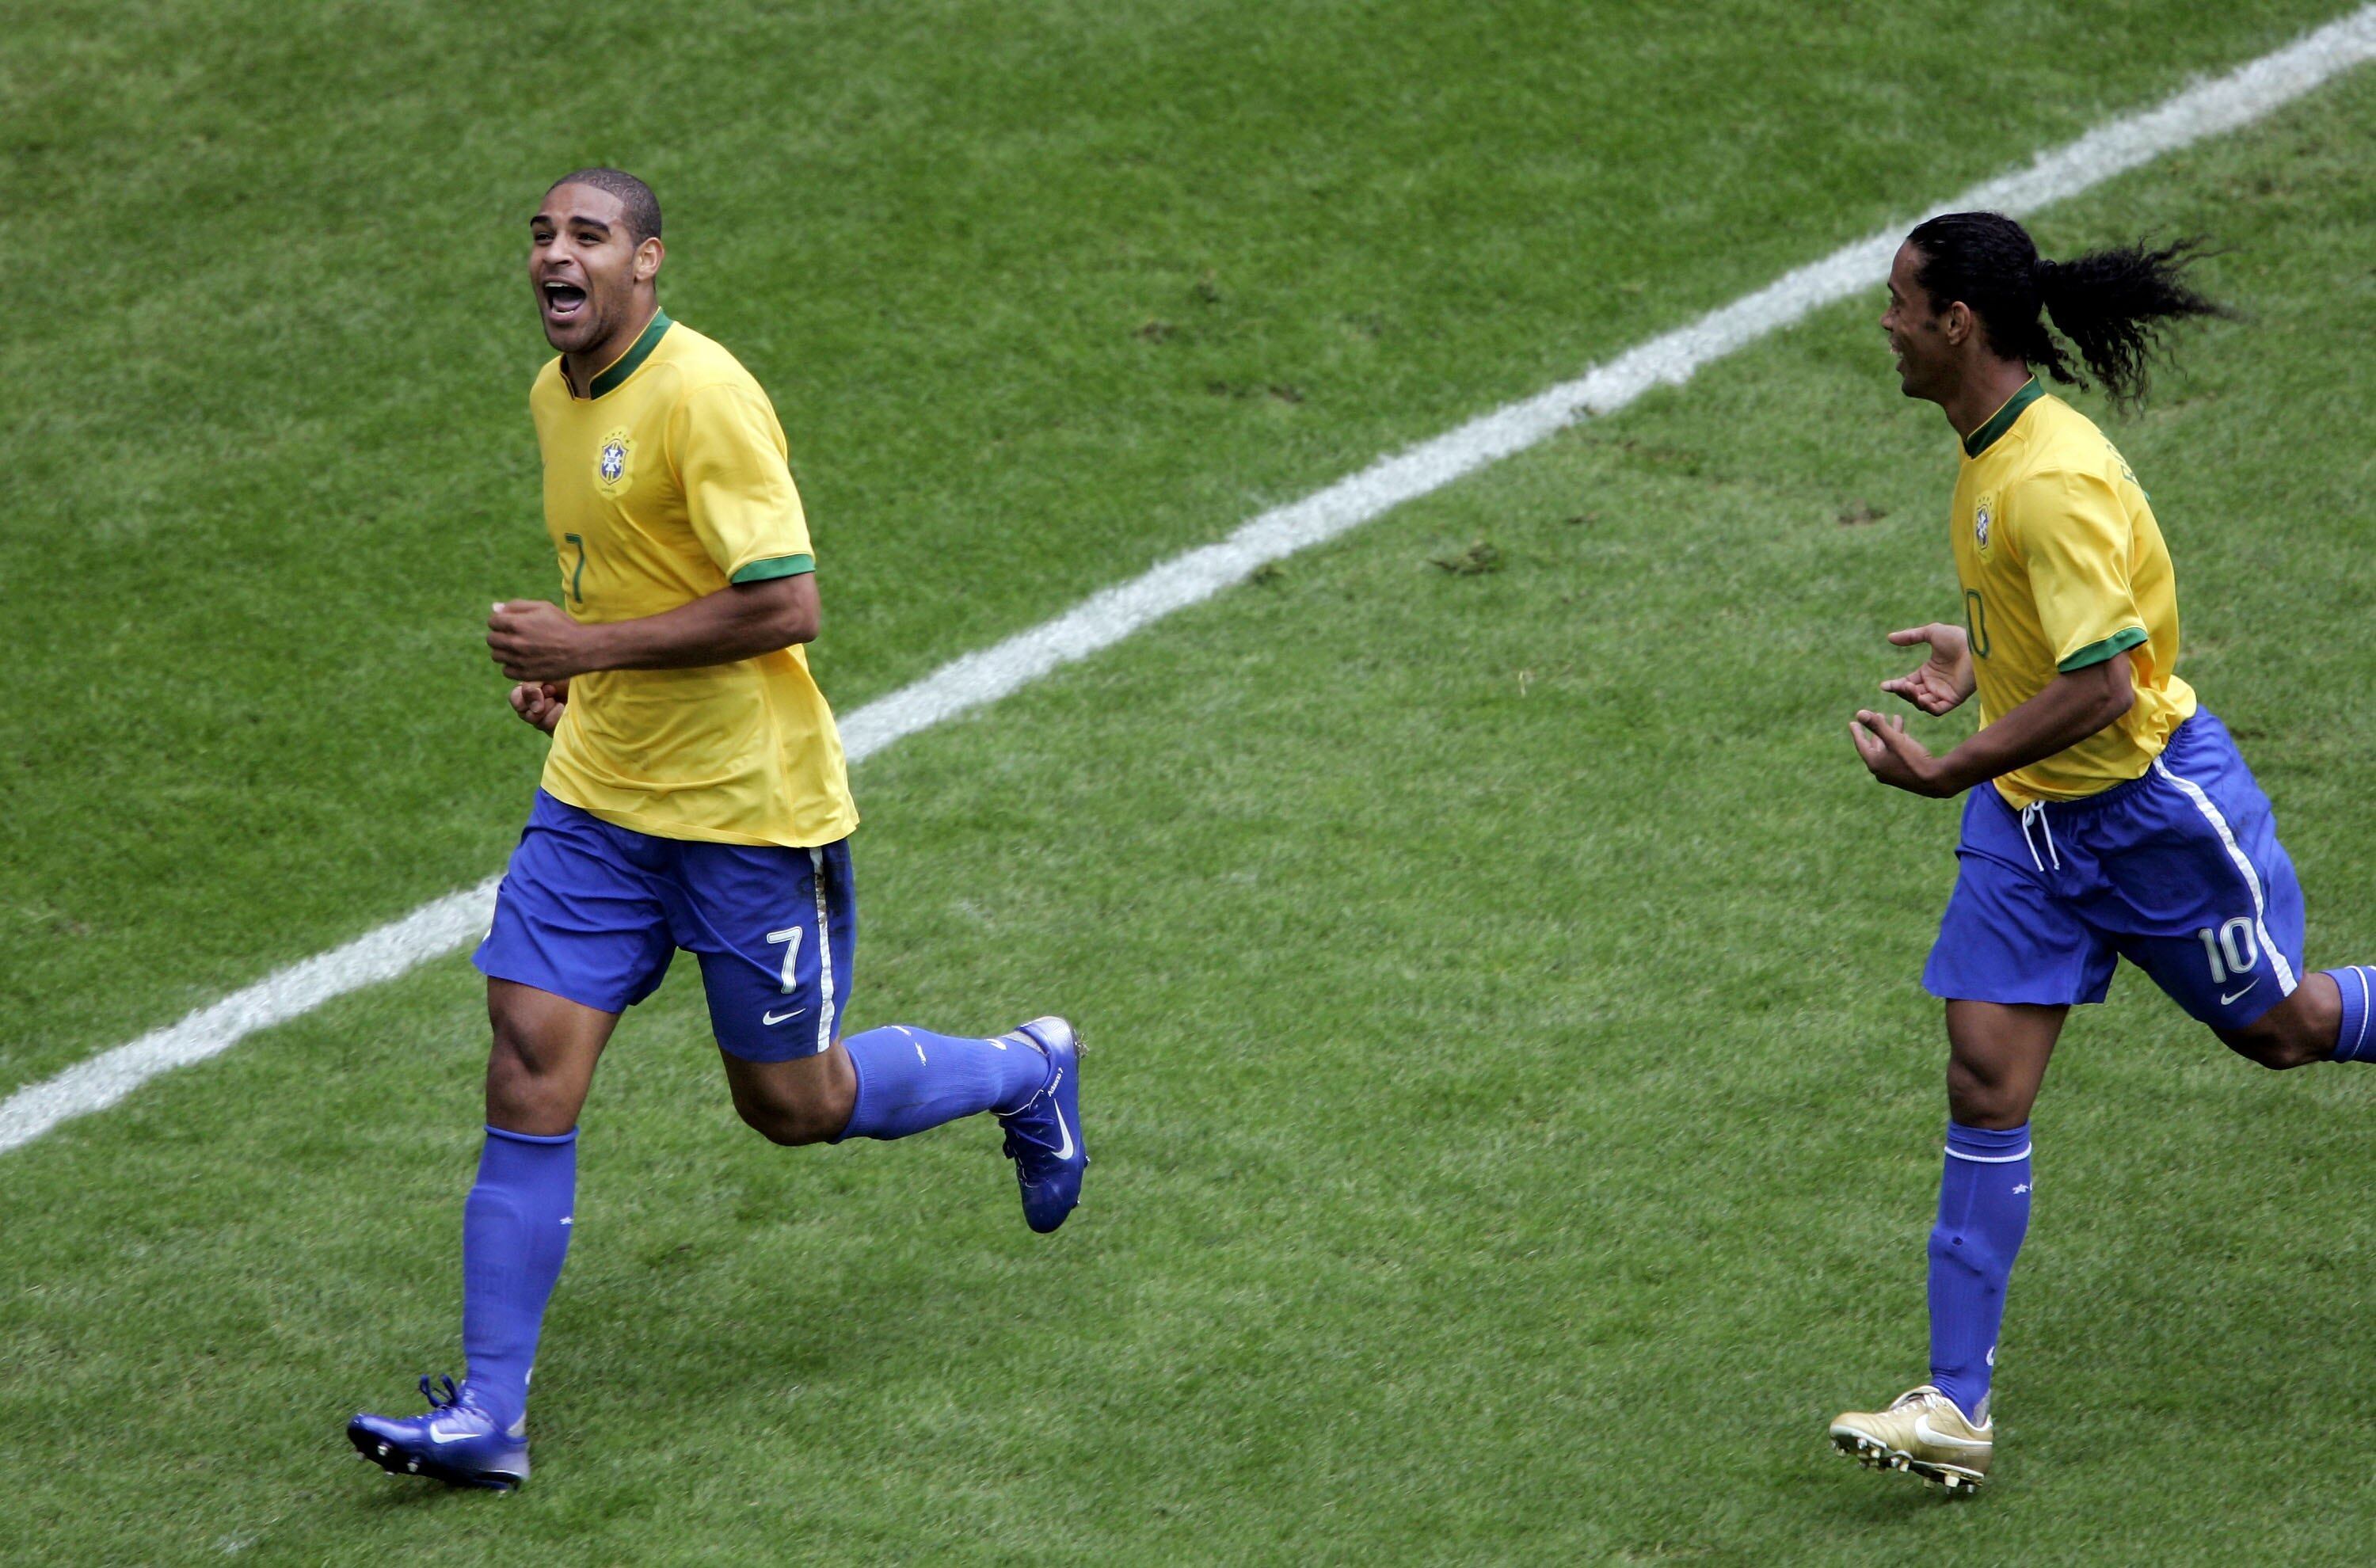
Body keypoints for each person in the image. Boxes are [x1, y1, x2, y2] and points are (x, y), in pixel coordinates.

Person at [348, 169, 1087, 1491]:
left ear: (648, 265)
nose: (554, 257)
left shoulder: (706, 397)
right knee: (527, 1059)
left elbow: (786, 603)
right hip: (598, 800)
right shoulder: (552, 398)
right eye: (539, 236)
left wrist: (587, 641)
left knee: (792, 1109)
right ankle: (489, 1416)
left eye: (588, 236)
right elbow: (633, 579)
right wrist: (580, 674)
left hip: (747, 815)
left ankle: (1024, 1071)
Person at [1828, 210, 2374, 1492]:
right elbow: (2059, 644)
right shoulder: (1989, 446)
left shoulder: (2047, 477)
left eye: (1902, 302)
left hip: (2145, 814)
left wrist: (1950, 765)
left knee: (2283, 1030)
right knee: (1982, 1077)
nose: (1889, 323)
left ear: (1958, 323)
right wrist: (1985, 662)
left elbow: (2115, 686)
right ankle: (1956, 1409)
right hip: (2034, 823)